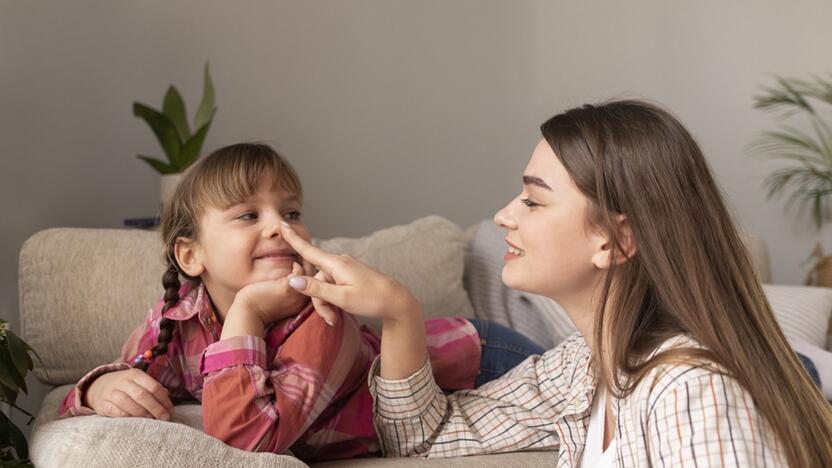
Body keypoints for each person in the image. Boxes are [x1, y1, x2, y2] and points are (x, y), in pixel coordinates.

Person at [280, 100, 832, 467]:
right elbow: (423, 437)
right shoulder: (583, 368)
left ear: (614, 241)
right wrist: (400, 312)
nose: (504, 215)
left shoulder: (692, 390)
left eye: (534, 199)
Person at [58, 143, 543, 462]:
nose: (280, 227)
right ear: (190, 255)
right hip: (458, 364)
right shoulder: (176, 319)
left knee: (598, 380)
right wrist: (98, 389)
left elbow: (250, 444)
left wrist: (246, 312)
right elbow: (116, 384)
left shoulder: (322, 316)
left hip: (476, 359)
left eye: (291, 212)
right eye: (248, 214)